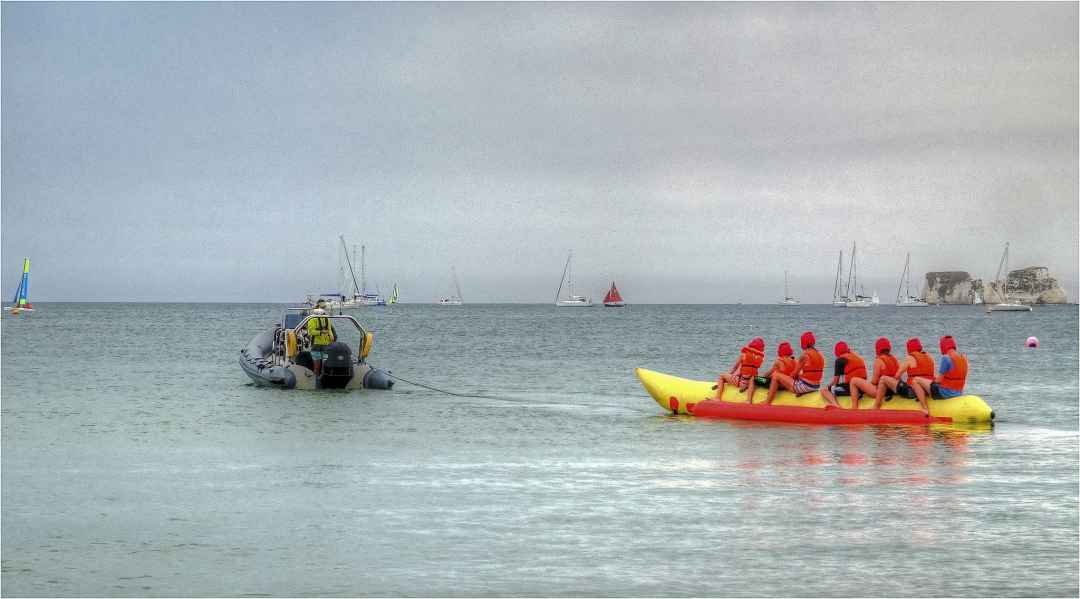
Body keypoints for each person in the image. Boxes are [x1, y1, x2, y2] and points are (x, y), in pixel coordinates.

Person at [765, 331, 828, 405]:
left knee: (776, 375)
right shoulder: (820, 354)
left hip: (805, 386)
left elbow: (794, 374)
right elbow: (811, 373)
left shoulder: (804, 355)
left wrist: (786, 380)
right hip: (816, 386)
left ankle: (767, 402)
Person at [876, 337, 935, 415]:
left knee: (883, 379)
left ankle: (876, 407)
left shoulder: (910, 358)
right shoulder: (929, 358)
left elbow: (897, 376)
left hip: (913, 392)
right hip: (928, 389)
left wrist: (893, 384)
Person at [714, 337, 766, 403]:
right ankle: (749, 399)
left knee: (722, 376)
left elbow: (734, 368)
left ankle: (717, 398)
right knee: (757, 378)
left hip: (742, 382)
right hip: (753, 382)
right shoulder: (760, 358)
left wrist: (730, 376)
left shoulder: (743, 355)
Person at [820, 341, 867, 409]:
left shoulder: (840, 360)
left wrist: (828, 386)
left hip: (852, 389)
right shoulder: (856, 357)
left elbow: (835, 382)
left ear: (837, 352)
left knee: (824, 390)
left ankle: (836, 405)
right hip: (863, 389)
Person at [862, 337, 901, 409]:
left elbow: (874, 381)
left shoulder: (879, 360)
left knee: (854, 380)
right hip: (893, 390)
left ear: (877, 348)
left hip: (882, 391)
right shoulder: (894, 359)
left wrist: (867, 387)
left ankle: (854, 407)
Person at [306, 308, 337, 376]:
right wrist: (321, 332)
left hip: (326, 345)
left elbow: (329, 330)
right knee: (318, 366)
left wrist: (332, 339)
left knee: (323, 365)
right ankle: (316, 378)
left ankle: (321, 378)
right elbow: (311, 332)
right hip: (316, 346)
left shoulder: (327, 319)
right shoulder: (312, 319)